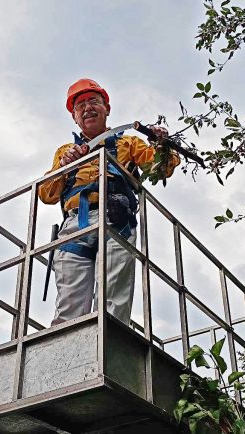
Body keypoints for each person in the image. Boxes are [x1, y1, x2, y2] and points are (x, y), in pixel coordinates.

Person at [38, 78, 180, 326]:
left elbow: (160, 170)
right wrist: (64, 166)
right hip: (75, 226)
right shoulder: (65, 151)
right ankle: (65, 357)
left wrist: (162, 145)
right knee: (69, 306)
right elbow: (46, 194)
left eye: (93, 101)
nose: (87, 108)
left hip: (116, 219)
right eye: (79, 105)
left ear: (107, 109)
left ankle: (111, 350)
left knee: (114, 300)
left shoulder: (128, 143)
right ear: (74, 117)